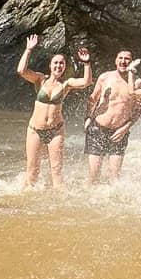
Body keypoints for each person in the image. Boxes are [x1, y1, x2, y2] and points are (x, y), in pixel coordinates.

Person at [17, 36, 92, 189]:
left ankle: (59, 200)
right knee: (32, 170)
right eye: (56, 63)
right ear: (50, 65)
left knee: (56, 169)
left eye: (61, 63)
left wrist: (87, 63)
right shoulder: (40, 80)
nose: (58, 66)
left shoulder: (66, 84)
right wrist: (29, 49)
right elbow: (21, 70)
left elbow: (86, 82)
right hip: (35, 130)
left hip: (56, 130)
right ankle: (28, 198)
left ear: (64, 66)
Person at [84, 48, 141, 184]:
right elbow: (93, 98)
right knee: (93, 176)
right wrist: (88, 118)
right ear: (115, 60)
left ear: (131, 63)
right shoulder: (105, 77)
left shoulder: (137, 83)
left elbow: (138, 110)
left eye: (127, 59)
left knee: (114, 179)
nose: (123, 61)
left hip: (119, 132)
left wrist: (125, 128)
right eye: (121, 58)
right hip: (98, 129)